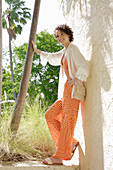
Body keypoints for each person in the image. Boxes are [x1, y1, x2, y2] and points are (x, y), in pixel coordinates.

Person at [32, 24, 89, 165]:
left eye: (61, 34)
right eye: (57, 36)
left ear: (68, 34)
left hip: (73, 90)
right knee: (50, 115)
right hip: (66, 91)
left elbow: (84, 65)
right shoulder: (65, 51)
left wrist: (76, 79)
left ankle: (60, 156)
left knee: (67, 122)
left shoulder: (73, 49)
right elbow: (52, 57)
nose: (59, 38)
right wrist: (37, 51)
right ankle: (72, 143)